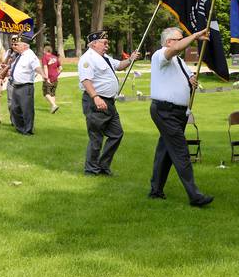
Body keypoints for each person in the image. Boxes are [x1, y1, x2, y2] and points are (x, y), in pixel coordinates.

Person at [148, 27, 214, 207]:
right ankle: (195, 195)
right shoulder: (161, 55)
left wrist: (190, 80)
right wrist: (195, 36)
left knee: (166, 152)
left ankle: (155, 190)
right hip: (165, 111)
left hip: (178, 113)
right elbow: (175, 50)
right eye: (179, 39)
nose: (183, 41)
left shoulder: (178, 61)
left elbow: (186, 76)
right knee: (180, 151)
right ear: (169, 42)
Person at [77, 30, 139, 176]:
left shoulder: (104, 57)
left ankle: (103, 166)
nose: (107, 45)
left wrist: (131, 59)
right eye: (104, 43)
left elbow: (119, 65)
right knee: (96, 137)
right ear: (94, 44)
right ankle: (91, 170)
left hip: (109, 103)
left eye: (107, 43)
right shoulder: (87, 59)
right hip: (97, 102)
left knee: (117, 134)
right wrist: (96, 97)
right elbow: (86, 80)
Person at [7, 35, 47, 134]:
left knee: (27, 109)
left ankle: (28, 130)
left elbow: (36, 67)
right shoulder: (20, 56)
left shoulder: (30, 55)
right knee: (14, 109)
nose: (16, 46)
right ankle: (20, 128)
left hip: (25, 86)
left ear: (25, 46)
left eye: (18, 44)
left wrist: (43, 75)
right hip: (16, 86)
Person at [41, 44, 62, 113]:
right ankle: (53, 108)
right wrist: (56, 75)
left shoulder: (44, 57)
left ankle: (54, 105)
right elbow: (61, 68)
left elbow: (45, 67)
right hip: (55, 78)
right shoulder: (55, 57)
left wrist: (46, 78)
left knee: (46, 93)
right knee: (52, 93)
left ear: (45, 50)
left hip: (49, 77)